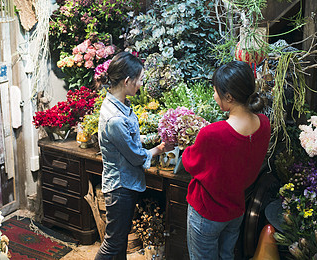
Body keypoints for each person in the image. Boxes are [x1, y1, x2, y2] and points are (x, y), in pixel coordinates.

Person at [181, 60, 271, 260]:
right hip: (236, 209)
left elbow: (190, 163)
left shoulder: (212, 133)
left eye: (215, 91)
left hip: (207, 212)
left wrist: (187, 145)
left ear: (228, 97)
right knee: (227, 256)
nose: (214, 96)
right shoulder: (264, 124)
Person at [94, 51, 173, 260]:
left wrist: (158, 133)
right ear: (127, 81)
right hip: (120, 188)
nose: (141, 84)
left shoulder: (118, 106)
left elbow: (132, 141)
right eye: (139, 80)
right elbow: (137, 156)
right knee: (113, 245)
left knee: (118, 245)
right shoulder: (115, 119)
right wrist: (160, 148)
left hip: (124, 185)